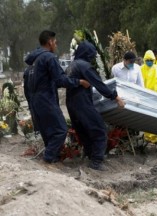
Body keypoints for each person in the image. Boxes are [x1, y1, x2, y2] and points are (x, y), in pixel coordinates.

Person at [24, 30, 90, 163]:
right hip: (46, 99)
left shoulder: (32, 62)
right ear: (50, 42)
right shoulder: (49, 57)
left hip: (35, 101)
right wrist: (79, 82)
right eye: (55, 42)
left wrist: (32, 104)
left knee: (48, 131)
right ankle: (48, 158)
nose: (56, 45)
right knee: (61, 129)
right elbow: (60, 80)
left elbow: (26, 87)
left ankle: (53, 158)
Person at [66, 40, 125, 171]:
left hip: (71, 104)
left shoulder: (71, 65)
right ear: (88, 54)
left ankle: (89, 156)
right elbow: (99, 84)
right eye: (92, 55)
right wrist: (115, 97)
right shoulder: (85, 66)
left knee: (84, 131)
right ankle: (96, 162)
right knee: (99, 130)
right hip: (82, 104)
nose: (92, 58)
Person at [141, 50, 157, 144]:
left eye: (151, 60)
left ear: (154, 59)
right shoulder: (141, 69)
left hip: (156, 95)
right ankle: (147, 136)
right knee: (147, 117)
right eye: (147, 60)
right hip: (145, 96)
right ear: (144, 60)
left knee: (156, 116)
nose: (149, 62)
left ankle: (155, 137)